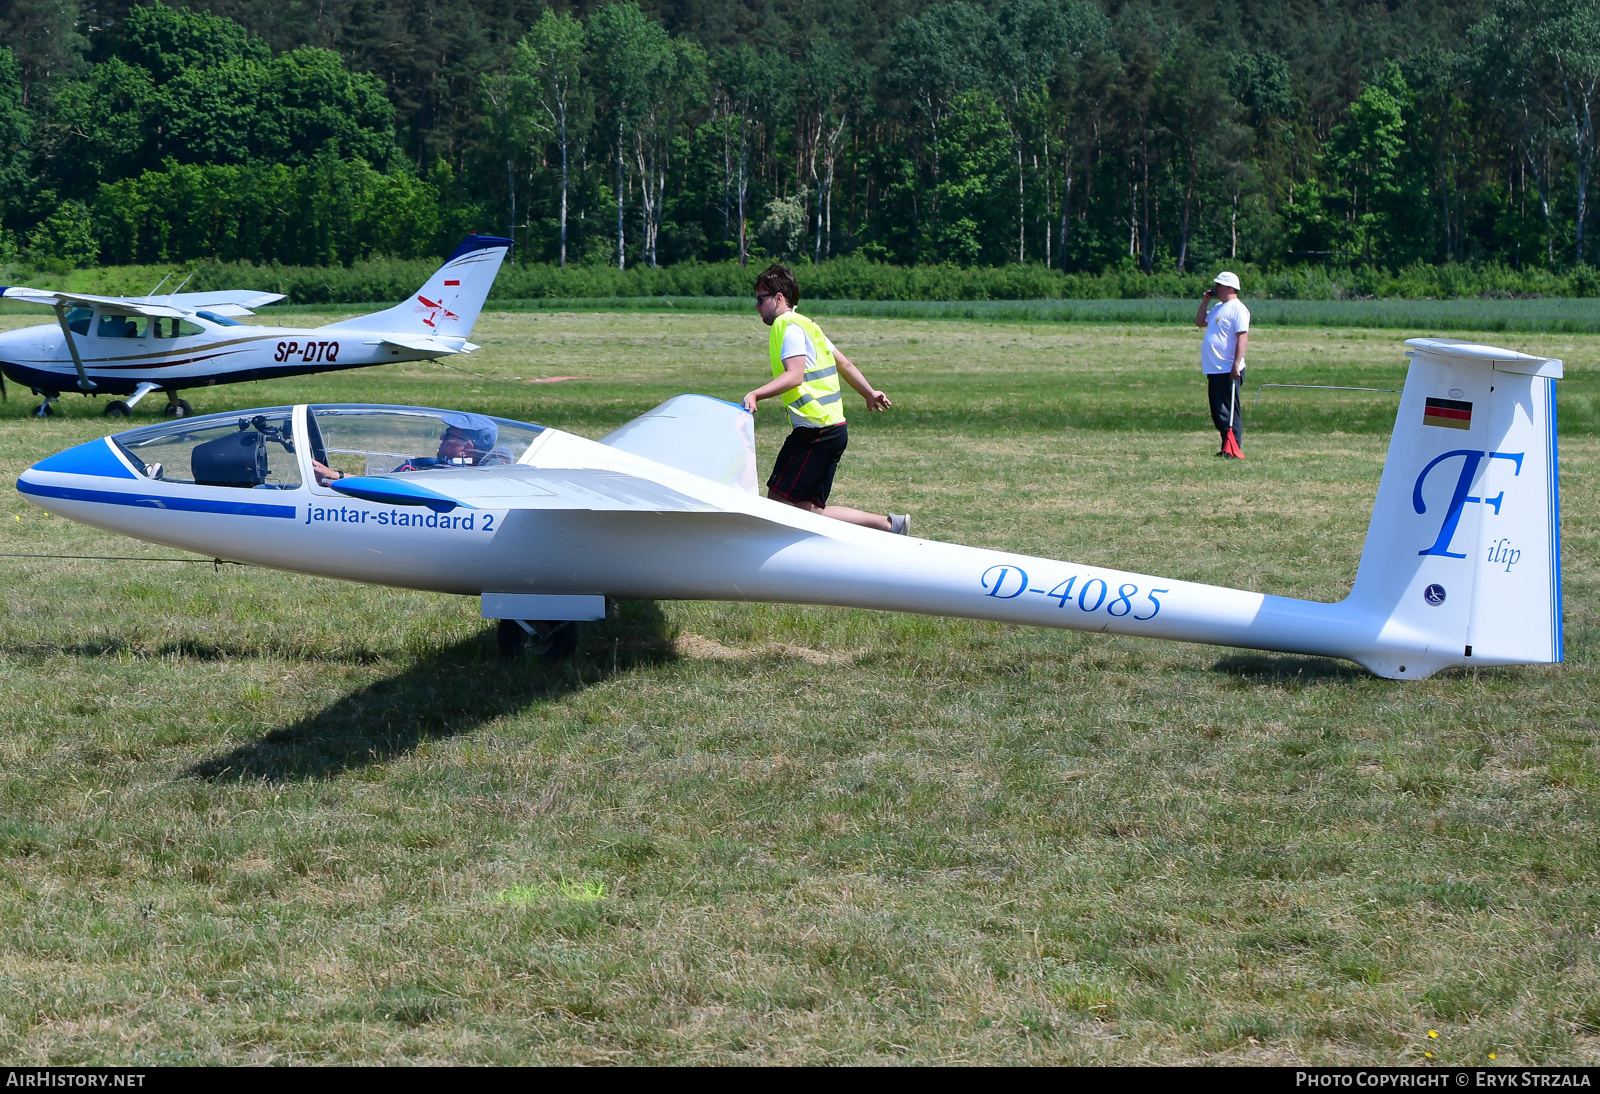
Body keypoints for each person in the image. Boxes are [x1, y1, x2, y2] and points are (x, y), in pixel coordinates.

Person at [743, 264, 910, 534]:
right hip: (833, 429)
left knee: (776, 507)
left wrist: (756, 393)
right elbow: (845, 364)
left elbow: (795, 375)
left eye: (760, 299)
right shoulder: (808, 325)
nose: (756, 306)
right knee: (808, 511)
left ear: (778, 298)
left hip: (815, 432)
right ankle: (890, 525)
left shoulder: (787, 326)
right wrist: (869, 392)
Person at [313, 411, 513, 485]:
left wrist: (335, 477)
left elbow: (381, 486)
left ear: (467, 448)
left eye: (450, 435)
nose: (442, 437)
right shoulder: (479, 477)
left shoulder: (432, 474)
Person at [1195, 271, 1250, 457]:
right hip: (1214, 368)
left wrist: (1236, 364)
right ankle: (1227, 446)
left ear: (1229, 287)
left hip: (1228, 368)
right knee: (1218, 412)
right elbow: (1200, 322)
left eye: (1218, 285)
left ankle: (1233, 449)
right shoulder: (1219, 307)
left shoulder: (1238, 308)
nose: (1215, 288)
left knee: (1229, 411)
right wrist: (1205, 302)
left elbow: (1242, 336)